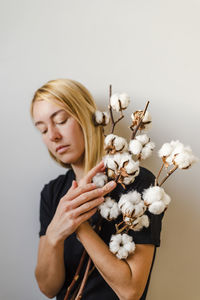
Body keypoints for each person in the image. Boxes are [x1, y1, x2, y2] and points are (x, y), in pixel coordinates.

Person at [31, 79, 164, 300]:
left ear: (86, 116)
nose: (52, 135)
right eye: (43, 129)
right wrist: (54, 233)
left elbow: (130, 291)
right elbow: (48, 288)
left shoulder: (137, 185)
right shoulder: (53, 193)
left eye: (61, 121)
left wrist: (78, 224)